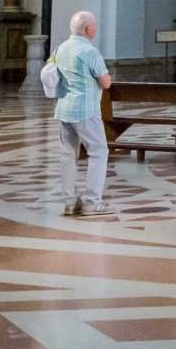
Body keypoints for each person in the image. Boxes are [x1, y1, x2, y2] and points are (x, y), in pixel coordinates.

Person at [52, 11, 114, 216]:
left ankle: (70, 202)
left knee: (68, 154)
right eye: (94, 26)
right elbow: (104, 81)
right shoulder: (89, 51)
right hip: (86, 109)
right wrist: (107, 79)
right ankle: (91, 201)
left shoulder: (60, 48)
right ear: (88, 29)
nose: (95, 29)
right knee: (99, 151)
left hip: (64, 107)